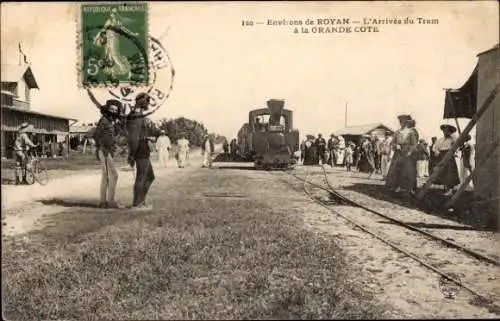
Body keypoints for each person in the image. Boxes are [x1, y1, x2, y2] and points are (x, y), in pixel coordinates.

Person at [127, 93, 155, 210]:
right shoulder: (135, 116)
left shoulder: (139, 115)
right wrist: (132, 155)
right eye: (147, 101)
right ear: (141, 102)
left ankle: (140, 201)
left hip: (143, 148)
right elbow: (133, 138)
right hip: (140, 150)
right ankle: (137, 204)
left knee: (150, 176)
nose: (148, 104)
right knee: (142, 177)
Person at [94, 99, 123, 209]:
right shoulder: (104, 120)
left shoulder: (111, 122)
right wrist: (102, 147)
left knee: (106, 176)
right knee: (114, 175)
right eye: (111, 109)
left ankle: (103, 202)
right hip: (104, 150)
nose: (113, 111)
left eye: (115, 110)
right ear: (107, 109)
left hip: (108, 151)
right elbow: (96, 135)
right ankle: (110, 201)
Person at [386, 114, 418, 194]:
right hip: (398, 153)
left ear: (407, 122)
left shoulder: (411, 132)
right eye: (400, 121)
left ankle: (409, 188)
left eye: (403, 121)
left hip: (408, 154)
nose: (401, 123)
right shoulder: (397, 132)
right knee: (396, 169)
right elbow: (392, 142)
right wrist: (395, 145)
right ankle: (396, 186)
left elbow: (414, 144)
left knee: (408, 171)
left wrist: (410, 151)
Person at [432, 124, 460, 196]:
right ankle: (446, 188)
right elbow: (434, 147)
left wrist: (453, 137)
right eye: (444, 131)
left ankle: (450, 189)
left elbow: (457, 146)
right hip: (441, 156)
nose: (445, 132)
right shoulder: (440, 139)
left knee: (449, 173)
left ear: (450, 132)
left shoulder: (453, 139)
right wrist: (436, 151)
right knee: (443, 173)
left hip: (449, 156)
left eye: (447, 131)